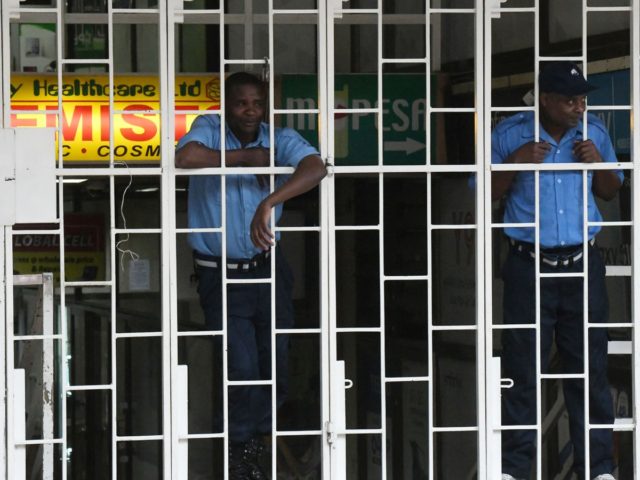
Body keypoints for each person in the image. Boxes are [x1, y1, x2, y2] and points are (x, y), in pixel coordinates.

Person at [175, 71, 326, 479]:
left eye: (257, 103)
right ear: (227, 105)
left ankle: (256, 439)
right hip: (219, 273)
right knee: (240, 366)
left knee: (275, 365)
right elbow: (184, 158)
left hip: (269, 269)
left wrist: (270, 202)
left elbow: (315, 168)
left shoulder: (278, 137)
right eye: (242, 103)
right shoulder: (208, 129)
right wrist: (244, 159)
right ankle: (239, 449)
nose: (250, 111)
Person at [492, 62, 622, 480]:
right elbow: (483, 191)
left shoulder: (593, 132)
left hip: (582, 265)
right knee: (521, 369)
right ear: (544, 100)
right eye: (569, 100)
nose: (578, 107)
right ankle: (514, 468)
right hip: (528, 266)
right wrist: (516, 160)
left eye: (582, 98)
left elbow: (610, 189)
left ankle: (598, 468)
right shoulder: (512, 133)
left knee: (590, 368)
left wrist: (598, 161)